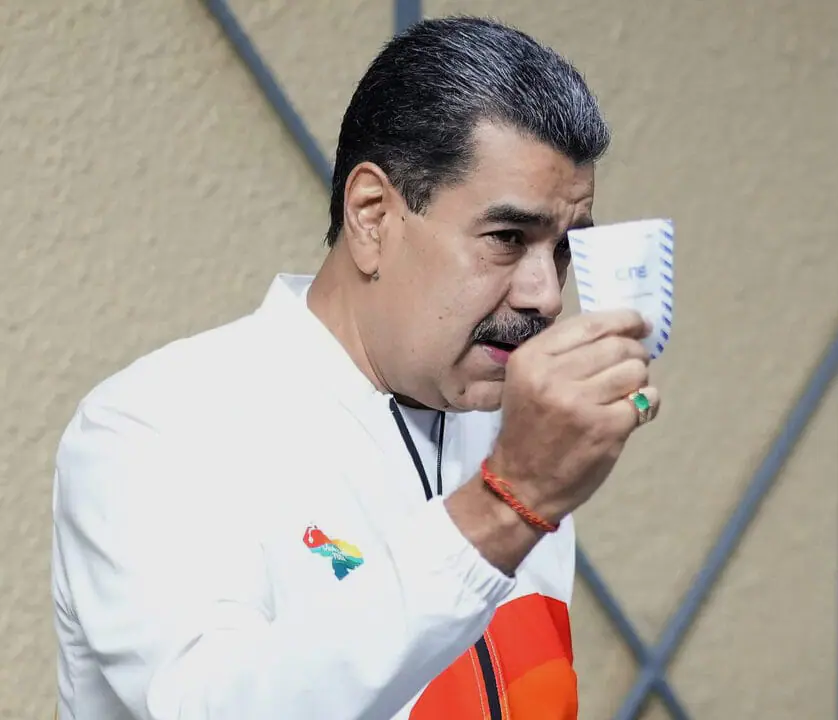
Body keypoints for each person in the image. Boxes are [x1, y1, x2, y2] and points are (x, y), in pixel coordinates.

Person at [50, 16, 659, 720]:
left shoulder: (506, 430)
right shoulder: (157, 427)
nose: (546, 294)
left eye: (562, 250)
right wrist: (505, 505)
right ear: (372, 214)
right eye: (507, 238)